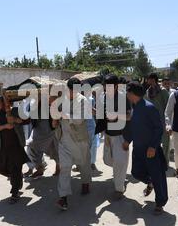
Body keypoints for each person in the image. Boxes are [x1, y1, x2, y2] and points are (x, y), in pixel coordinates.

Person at [123, 81, 169, 215]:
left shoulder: (149, 108)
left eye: (127, 92)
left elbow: (158, 128)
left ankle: (160, 203)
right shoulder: (134, 107)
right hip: (138, 148)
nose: (126, 94)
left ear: (132, 93)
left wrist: (153, 147)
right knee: (136, 173)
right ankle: (150, 183)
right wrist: (127, 141)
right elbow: (134, 127)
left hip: (150, 150)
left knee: (157, 176)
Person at [53, 78, 92, 211]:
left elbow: (80, 119)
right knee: (65, 167)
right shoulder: (62, 99)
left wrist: (64, 115)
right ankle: (63, 198)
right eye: (71, 90)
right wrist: (55, 118)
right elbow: (55, 115)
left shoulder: (83, 101)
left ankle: (85, 182)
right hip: (64, 139)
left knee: (84, 163)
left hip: (79, 139)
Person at [0, 96, 30, 204]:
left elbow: (27, 119)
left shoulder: (14, 111)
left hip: (16, 147)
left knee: (15, 169)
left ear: (5, 102)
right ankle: (16, 179)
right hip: (2, 148)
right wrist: (5, 126)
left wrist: (15, 120)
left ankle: (14, 193)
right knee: (0, 168)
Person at [101, 74, 132, 200]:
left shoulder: (123, 98)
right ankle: (120, 176)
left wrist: (116, 116)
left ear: (115, 86)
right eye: (104, 86)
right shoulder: (103, 97)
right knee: (108, 160)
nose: (106, 89)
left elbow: (129, 117)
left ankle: (119, 188)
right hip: (108, 135)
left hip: (121, 135)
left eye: (108, 86)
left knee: (120, 162)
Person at [145, 73, 170, 162]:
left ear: (153, 80)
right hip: (152, 121)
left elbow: (168, 105)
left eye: (149, 79)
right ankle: (156, 161)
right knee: (154, 142)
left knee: (165, 143)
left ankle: (165, 161)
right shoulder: (148, 92)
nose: (148, 81)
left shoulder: (163, 91)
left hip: (163, 120)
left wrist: (168, 121)